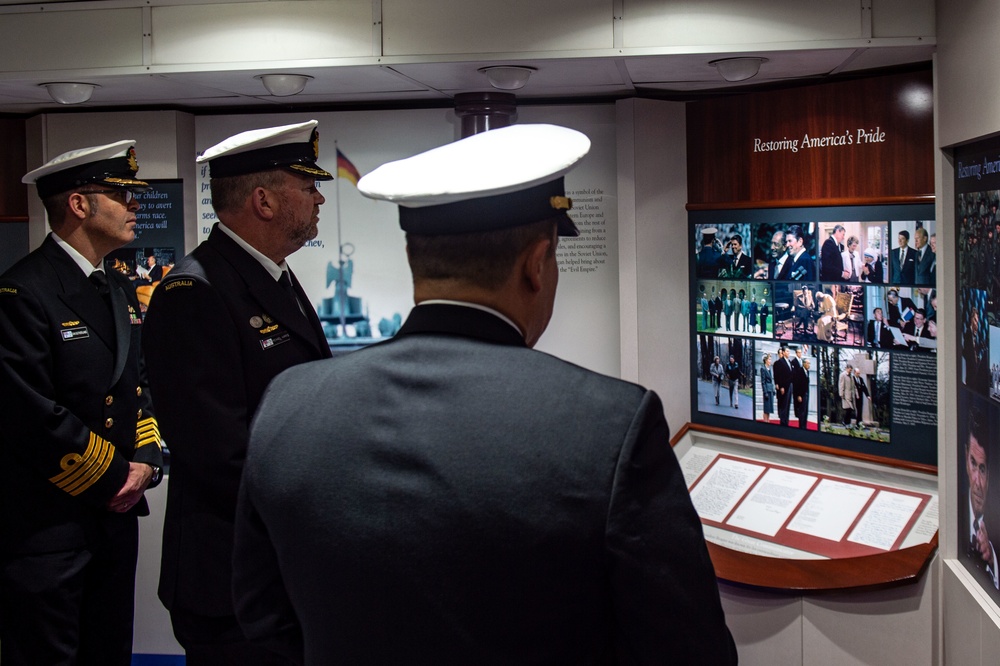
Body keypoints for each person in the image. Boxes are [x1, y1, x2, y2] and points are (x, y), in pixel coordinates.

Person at [232, 124, 737, 665]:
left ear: (414, 256)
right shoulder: (610, 426)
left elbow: (263, 616)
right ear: (536, 264)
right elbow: (687, 648)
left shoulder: (289, 404)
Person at [142, 120, 334, 664]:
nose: (318, 198)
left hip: (274, 566)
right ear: (264, 200)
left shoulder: (272, 275)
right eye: (308, 186)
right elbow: (219, 453)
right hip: (229, 579)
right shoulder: (194, 292)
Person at [0, 141, 164, 665]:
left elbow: (137, 386)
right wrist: (112, 475)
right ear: (78, 205)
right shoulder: (22, 293)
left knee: (109, 652)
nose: (135, 205)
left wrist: (147, 461)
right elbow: (27, 414)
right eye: (121, 194)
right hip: (49, 525)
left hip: (112, 519)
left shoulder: (115, 288)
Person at [964, 408, 998, 589]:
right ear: (965, 457)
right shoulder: (955, 515)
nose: (977, 481)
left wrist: (992, 559)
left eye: (983, 469)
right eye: (973, 464)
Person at [774, 345, 794, 426]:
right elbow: (779, 375)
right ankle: (783, 422)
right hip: (784, 387)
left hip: (790, 385)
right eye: (787, 351)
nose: (789, 353)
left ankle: (786, 421)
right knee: (783, 405)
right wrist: (781, 386)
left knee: (788, 405)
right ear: (783, 352)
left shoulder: (789, 362)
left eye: (789, 351)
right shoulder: (780, 362)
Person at [792, 358, 811, 429]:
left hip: (806, 393)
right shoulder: (799, 371)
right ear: (804, 363)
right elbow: (797, 384)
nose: (809, 365)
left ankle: (804, 426)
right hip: (801, 394)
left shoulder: (807, 372)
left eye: (809, 363)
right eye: (808, 363)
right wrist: (799, 395)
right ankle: (801, 426)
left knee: (805, 411)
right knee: (802, 411)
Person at [760, 353, 775, 423]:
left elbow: (771, 380)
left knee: (769, 408)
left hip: (770, 389)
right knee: (766, 408)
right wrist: (765, 392)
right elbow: (763, 381)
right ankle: (765, 421)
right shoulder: (763, 368)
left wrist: (773, 389)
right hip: (766, 390)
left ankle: (768, 420)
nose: (770, 360)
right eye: (769, 359)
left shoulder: (769, 368)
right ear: (765, 360)